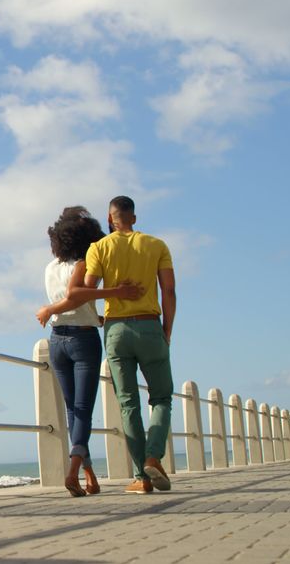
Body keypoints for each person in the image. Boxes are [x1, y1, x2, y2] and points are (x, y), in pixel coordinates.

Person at [36, 207, 143, 497]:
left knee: (73, 411)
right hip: (83, 341)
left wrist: (92, 315)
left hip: (57, 340)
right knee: (83, 410)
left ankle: (89, 474)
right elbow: (75, 297)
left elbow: (69, 303)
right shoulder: (83, 263)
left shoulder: (50, 268)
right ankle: (72, 472)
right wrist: (117, 293)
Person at [82, 196, 176, 494]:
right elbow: (170, 291)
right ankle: (153, 456)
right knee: (161, 398)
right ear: (133, 218)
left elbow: (85, 289)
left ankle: (142, 478)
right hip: (150, 325)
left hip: (116, 330)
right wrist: (166, 330)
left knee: (128, 404)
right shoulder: (156, 245)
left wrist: (102, 310)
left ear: (110, 219)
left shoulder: (99, 248)